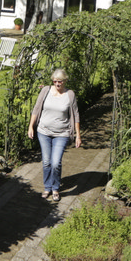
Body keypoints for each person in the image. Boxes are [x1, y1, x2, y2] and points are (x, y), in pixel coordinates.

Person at [27, 68, 81, 203]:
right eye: (55, 81)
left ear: (65, 81)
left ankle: (55, 188)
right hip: (43, 132)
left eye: (60, 81)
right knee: (46, 162)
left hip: (61, 133)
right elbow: (36, 108)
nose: (57, 84)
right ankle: (47, 187)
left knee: (55, 162)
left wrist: (78, 135)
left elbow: (76, 115)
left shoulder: (70, 95)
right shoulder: (45, 91)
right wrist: (31, 126)